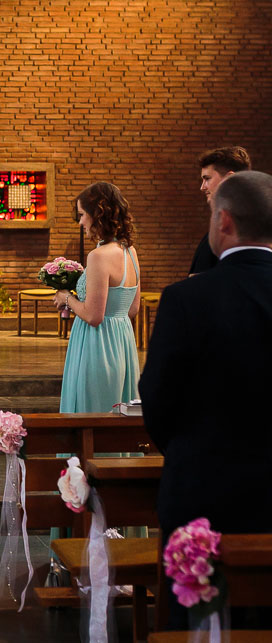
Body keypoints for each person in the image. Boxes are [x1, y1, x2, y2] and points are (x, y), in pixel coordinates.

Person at [141, 171, 272, 630]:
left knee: (196, 622)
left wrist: (186, 451)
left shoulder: (186, 299)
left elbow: (156, 397)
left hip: (203, 491)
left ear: (225, 222)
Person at [53, 182, 141, 413]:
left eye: (82, 215)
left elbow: (94, 316)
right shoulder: (130, 252)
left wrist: (66, 298)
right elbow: (132, 309)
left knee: (91, 411)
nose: (80, 222)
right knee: (117, 413)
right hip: (122, 344)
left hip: (96, 347)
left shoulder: (98, 257)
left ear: (98, 214)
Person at [189, 146, 251, 275]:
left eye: (207, 178)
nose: (202, 187)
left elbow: (197, 287)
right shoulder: (257, 227)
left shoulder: (223, 233)